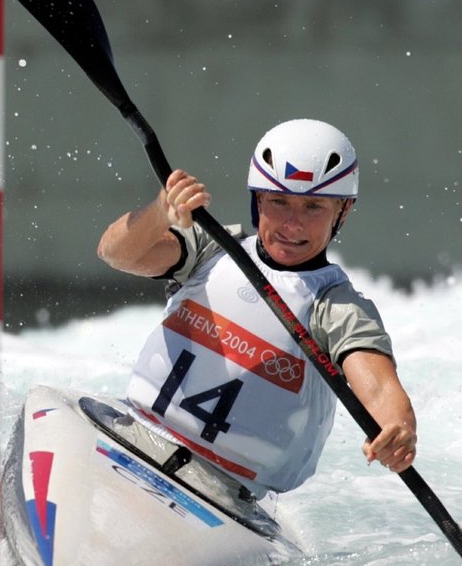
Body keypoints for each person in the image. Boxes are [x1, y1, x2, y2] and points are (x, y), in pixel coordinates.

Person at [97, 119, 416, 498]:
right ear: (257, 200)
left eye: (313, 206)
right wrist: (160, 212)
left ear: (342, 212)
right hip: (133, 437)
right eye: (279, 201)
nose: (292, 223)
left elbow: (379, 387)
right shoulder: (210, 248)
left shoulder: (336, 307)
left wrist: (398, 427)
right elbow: (115, 253)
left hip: (229, 497)